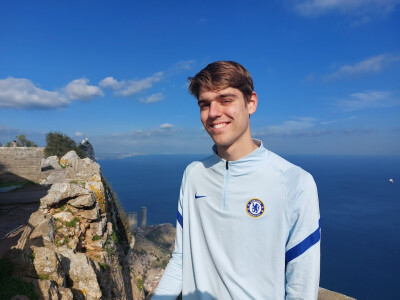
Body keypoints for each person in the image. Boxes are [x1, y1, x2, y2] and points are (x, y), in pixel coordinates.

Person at [152, 61, 320, 299]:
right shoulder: (194, 174)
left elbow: (301, 287)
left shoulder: (295, 182)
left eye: (226, 100)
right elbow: (182, 257)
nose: (213, 113)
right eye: (205, 104)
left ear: (251, 103)